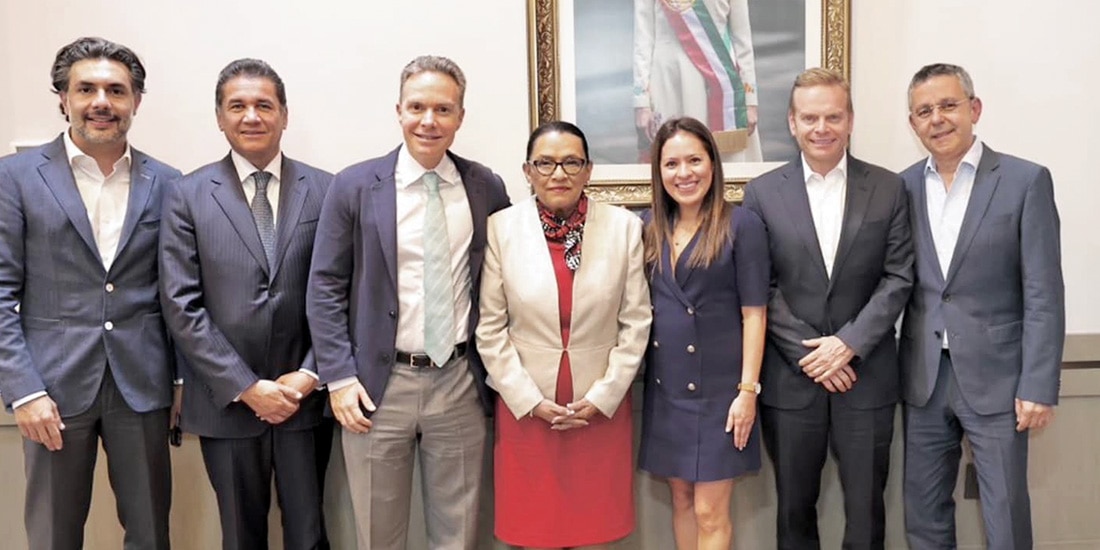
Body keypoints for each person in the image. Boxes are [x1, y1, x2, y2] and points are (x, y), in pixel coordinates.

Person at [307, 55, 511, 550]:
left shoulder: (485, 186)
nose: (429, 121)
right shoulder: (354, 186)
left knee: (457, 534)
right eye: (417, 106)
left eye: (443, 109)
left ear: (461, 117)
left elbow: (504, 282)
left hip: (459, 381)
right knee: (379, 534)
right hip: (377, 387)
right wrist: (339, 377)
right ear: (398, 110)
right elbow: (325, 286)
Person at [0, 37, 181, 550]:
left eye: (116, 91)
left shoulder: (168, 183)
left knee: (150, 533)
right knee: (55, 535)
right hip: (51, 390)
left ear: (136, 102)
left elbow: (179, 291)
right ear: (63, 99)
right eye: (86, 89)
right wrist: (24, 391)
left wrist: (181, 376)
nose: (101, 102)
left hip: (142, 388)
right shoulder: (14, 178)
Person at [159, 58, 333, 550]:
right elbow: (181, 303)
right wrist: (244, 386)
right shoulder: (186, 195)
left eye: (264, 105)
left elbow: (341, 293)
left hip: (306, 400)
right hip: (227, 404)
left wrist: (309, 374)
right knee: (240, 534)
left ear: (284, 114)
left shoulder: (326, 189)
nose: (251, 116)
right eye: (237, 106)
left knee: (310, 534)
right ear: (219, 117)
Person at [741, 67, 913, 549]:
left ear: (851, 120)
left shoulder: (888, 187)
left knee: (866, 512)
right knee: (794, 511)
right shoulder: (762, 193)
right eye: (810, 117)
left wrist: (848, 345)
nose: (822, 128)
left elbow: (899, 276)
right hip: (792, 382)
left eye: (833, 116)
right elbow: (761, 286)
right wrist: (814, 353)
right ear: (792, 123)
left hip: (867, 379)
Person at [900, 63, 1065, 550]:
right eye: (924, 111)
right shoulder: (901, 187)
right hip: (925, 377)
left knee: (1005, 513)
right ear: (912, 124)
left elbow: (1043, 291)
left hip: (1001, 379)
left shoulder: (1024, 180)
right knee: (924, 513)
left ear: (974, 109)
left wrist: (1038, 384)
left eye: (948, 105)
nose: (938, 119)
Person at [476, 121, 652, 549]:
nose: (559, 174)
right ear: (527, 170)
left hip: (598, 406)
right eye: (546, 163)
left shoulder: (623, 227)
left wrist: (602, 397)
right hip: (529, 408)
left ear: (589, 170)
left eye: (571, 162)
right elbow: (491, 328)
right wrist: (529, 400)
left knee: (594, 527)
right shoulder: (502, 228)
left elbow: (636, 321)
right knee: (534, 529)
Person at [638, 116, 769, 549]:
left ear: (713, 163)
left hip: (721, 394)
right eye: (671, 163)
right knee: (681, 500)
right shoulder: (649, 228)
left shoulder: (741, 225)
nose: (684, 173)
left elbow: (755, 314)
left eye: (694, 159)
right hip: (668, 391)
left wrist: (747, 391)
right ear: (658, 171)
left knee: (711, 511)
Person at [633, 0, 762, 163]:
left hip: (721, 84)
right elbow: (643, 40)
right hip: (670, 83)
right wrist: (641, 102)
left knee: (727, 166)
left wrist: (750, 100)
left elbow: (742, 40)